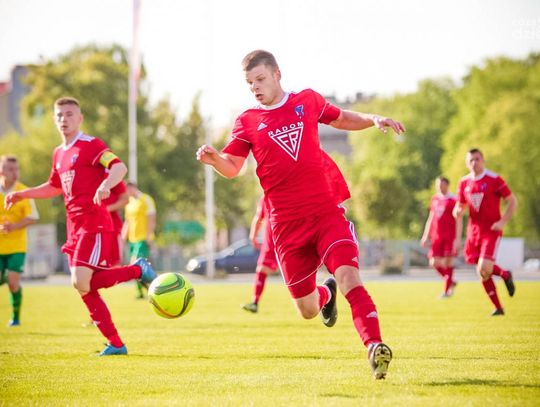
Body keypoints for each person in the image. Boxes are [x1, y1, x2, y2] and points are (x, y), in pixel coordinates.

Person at [196, 50, 405, 379]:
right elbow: (233, 166)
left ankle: (374, 346)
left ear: (277, 74)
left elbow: (341, 118)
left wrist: (372, 118)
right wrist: (215, 161)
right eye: (250, 83)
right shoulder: (247, 120)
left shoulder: (306, 101)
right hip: (286, 228)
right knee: (307, 309)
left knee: (350, 278)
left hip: (325, 214)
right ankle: (326, 294)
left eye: (260, 79)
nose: (255, 87)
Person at [4, 97, 156, 355]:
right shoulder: (58, 153)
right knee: (83, 286)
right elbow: (54, 187)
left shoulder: (91, 144)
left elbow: (119, 167)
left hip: (93, 223)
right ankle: (116, 343)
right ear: (54, 119)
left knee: (81, 282)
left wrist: (105, 184)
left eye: (69, 114)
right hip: (73, 227)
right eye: (59, 115)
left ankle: (136, 270)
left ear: (80, 118)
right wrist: (23, 194)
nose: (64, 119)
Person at [453, 148, 517, 316]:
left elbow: (512, 201)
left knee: (484, 266)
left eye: (477, 159)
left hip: (491, 230)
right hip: (473, 232)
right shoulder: (464, 182)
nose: (474, 163)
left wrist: (502, 221)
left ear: (483, 160)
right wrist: (457, 212)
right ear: (467, 163)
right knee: (482, 272)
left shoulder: (494, 179)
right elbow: (459, 207)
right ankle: (498, 308)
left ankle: (505, 275)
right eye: (471, 160)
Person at [0, 155, 39, 327]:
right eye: (10, 169)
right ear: (1, 171)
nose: (15, 173)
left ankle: (15, 318)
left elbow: (33, 217)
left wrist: (13, 226)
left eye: (17, 169)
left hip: (17, 246)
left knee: (13, 284)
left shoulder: (24, 192)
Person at [420, 176, 458, 298]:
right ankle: (451, 281)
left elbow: (459, 220)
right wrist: (425, 235)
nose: (439, 187)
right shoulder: (435, 198)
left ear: (447, 185)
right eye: (437, 185)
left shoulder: (454, 200)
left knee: (448, 262)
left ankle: (446, 291)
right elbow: (431, 218)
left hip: (449, 236)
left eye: (441, 185)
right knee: (433, 262)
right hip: (436, 236)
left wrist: (457, 238)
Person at [242, 195, 278, 313]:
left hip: (285, 241)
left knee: (299, 274)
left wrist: (253, 235)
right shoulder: (266, 198)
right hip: (272, 242)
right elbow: (259, 217)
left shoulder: (268, 197)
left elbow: (258, 218)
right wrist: (253, 235)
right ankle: (255, 302)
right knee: (261, 270)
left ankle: (321, 296)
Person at [122, 182, 157, 299]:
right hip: (132, 240)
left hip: (142, 239)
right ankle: (144, 292)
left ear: (133, 188)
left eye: (128, 189)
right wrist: (123, 237)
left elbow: (151, 218)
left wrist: (149, 236)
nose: (126, 192)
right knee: (138, 268)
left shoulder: (146, 199)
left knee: (135, 265)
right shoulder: (129, 203)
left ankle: (153, 289)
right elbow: (127, 221)